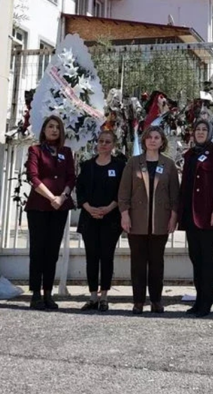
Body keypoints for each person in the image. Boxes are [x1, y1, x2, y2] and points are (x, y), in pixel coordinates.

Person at [118, 126, 180, 314]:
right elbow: (123, 192)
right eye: (149, 137)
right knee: (137, 263)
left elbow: (175, 195)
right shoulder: (133, 162)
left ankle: (156, 300)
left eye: (157, 137)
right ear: (144, 140)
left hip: (160, 221)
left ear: (162, 141)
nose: (153, 140)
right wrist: (125, 214)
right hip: (136, 221)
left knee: (156, 263)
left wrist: (173, 218)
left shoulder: (168, 164)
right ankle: (138, 301)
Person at [25, 115, 75, 311]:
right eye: (50, 126)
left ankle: (48, 292)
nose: (54, 130)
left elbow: (71, 177)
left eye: (57, 127)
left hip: (60, 207)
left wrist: (62, 197)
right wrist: (50, 197)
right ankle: (36, 293)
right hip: (39, 206)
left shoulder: (66, 152)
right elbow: (33, 176)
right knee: (38, 250)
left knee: (52, 251)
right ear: (44, 130)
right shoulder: (35, 150)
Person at [179, 120, 213, 317]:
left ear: (210, 132)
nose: (200, 132)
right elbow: (185, 188)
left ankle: (206, 303)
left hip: (209, 217)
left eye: (204, 130)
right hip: (191, 217)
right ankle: (198, 301)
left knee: (207, 262)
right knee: (196, 259)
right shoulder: (190, 154)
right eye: (197, 129)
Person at [75, 130, 126, 312]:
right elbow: (80, 190)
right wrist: (88, 208)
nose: (104, 144)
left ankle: (104, 295)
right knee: (91, 257)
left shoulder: (120, 166)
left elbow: (122, 191)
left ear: (113, 145)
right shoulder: (87, 165)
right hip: (90, 218)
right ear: (97, 143)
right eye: (101, 141)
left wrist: (109, 208)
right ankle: (92, 296)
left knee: (106, 257)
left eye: (108, 141)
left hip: (110, 219)